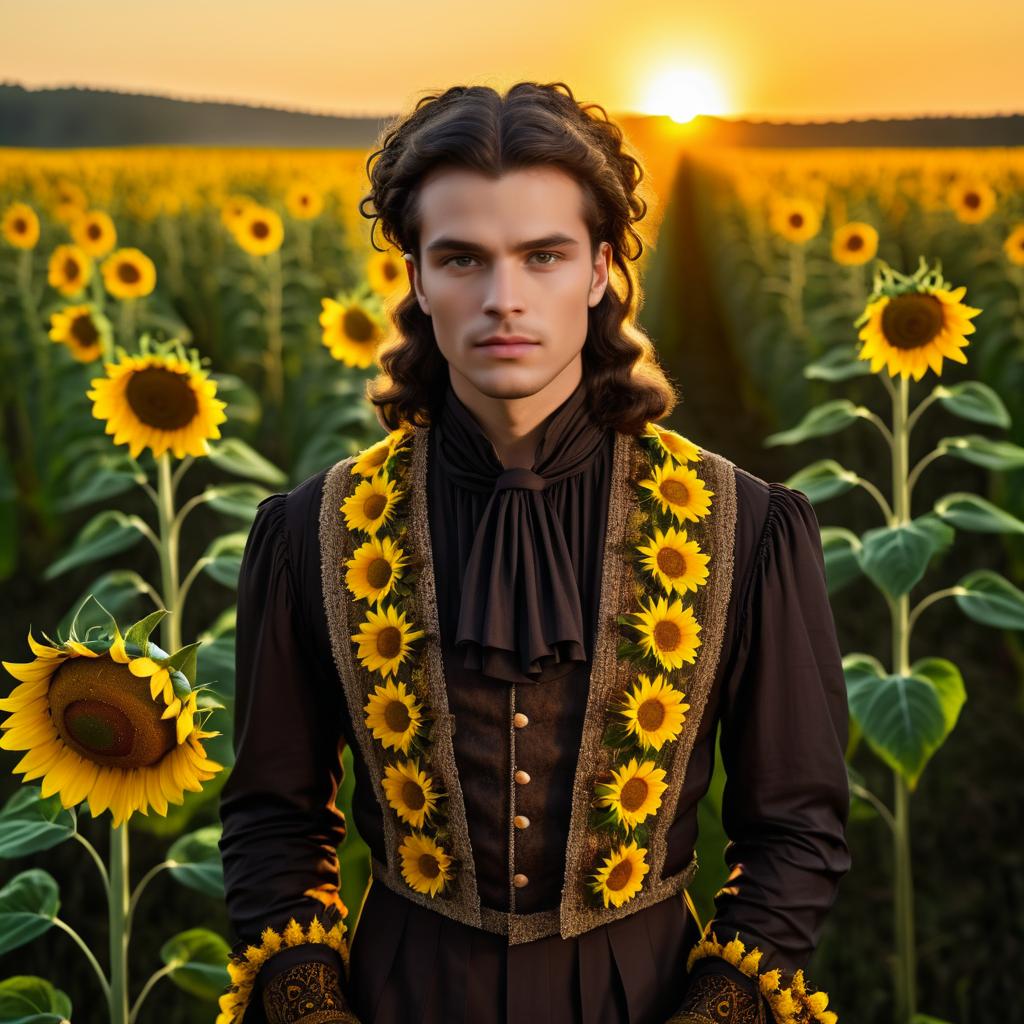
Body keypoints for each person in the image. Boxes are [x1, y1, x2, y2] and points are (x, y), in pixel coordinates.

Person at [217, 81, 851, 1024]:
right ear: (419, 280)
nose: (503, 299)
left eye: (542, 256)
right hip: (398, 995)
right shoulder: (313, 530)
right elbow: (275, 817)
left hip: (652, 997)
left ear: (598, 273)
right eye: (463, 258)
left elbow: (797, 828)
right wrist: (312, 1008)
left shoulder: (744, 527)